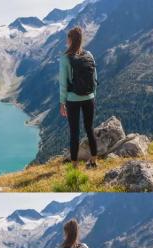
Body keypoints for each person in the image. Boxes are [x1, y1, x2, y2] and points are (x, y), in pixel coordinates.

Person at [59, 27, 99, 169]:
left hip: (73, 99)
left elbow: (63, 83)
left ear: (70, 40)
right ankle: (93, 161)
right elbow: (95, 78)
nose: (66, 40)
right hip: (89, 97)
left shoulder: (65, 58)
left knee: (74, 132)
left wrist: (62, 102)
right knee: (89, 129)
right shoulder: (89, 55)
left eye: (67, 38)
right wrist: (92, 95)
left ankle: (74, 165)